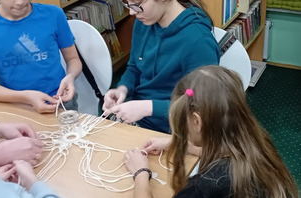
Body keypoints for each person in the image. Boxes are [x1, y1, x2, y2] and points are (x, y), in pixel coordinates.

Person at [124, 65, 298, 198]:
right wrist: (177, 144)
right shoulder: (254, 141)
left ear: (197, 121)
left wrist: (140, 173)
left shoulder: (205, 186)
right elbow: (222, 149)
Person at [102, 0, 220, 133]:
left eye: (137, 2)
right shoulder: (145, 20)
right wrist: (123, 89)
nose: (132, 12)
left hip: (176, 128)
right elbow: (134, 67)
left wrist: (147, 107)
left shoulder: (197, 41)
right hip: (138, 119)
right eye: (126, 2)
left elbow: (197, 100)